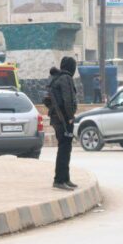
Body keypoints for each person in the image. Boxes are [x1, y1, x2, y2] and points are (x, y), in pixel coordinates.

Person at [48, 57, 78, 191]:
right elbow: (68, 99)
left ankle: (65, 178)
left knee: (65, 148)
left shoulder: (56, 78)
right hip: (63, 119)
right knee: (64, 149)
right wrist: (70, 117)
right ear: (71, 67)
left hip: (57, 118)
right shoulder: (66, 79)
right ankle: (59, 180)